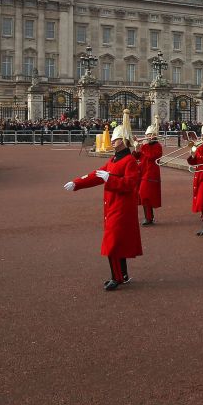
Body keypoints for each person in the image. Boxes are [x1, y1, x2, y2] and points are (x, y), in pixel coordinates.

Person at [63, 110, 142, 291]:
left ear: (123, 141)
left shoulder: (129, 161)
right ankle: (123, 275)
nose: (112, 142)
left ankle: (117, 278)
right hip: (113, 206)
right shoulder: (114, 159)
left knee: (112, 243)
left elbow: (130, 184)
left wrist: (110, 179)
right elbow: (96, 175)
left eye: (115, 139)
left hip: (121, 208)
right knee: (118, 243)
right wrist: (77, 183)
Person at [131, 116, 163, 226]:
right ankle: (149, 217)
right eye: (147, 135)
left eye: (150, 135)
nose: (148, 137)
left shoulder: (157, 146)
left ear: (154, 136)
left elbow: (151, 156)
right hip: (143, 172)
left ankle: (149, 217)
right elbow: (137, 157)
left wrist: (142, 147)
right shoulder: (145, 146)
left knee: (144, 194)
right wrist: (136, 149)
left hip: (151, 173)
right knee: (145, 197)